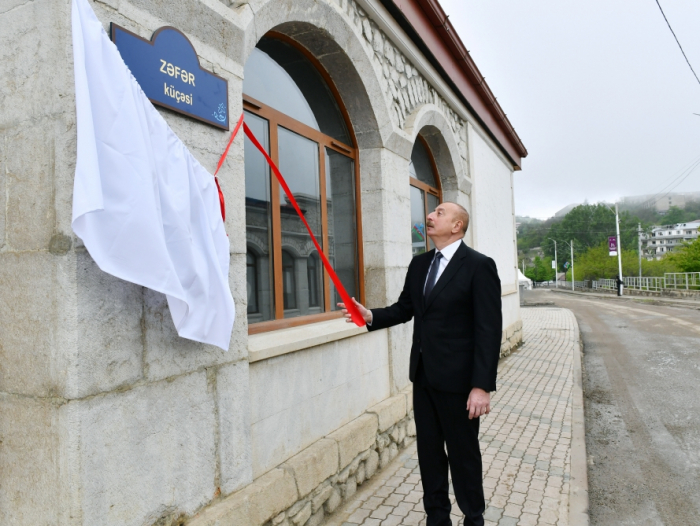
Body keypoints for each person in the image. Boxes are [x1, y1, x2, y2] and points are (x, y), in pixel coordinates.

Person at [339, 202, 502, 526]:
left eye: (440, 213)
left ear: (457, 225)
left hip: (459, 383)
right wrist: (371, 315)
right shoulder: (420, 264)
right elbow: (404, 309)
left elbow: (489, 329)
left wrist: (481, 386)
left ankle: (473, 516)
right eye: (432, 212)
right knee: (429, 454)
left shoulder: (478, 266)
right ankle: (437, 518)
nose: (430, 215)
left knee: (463, 455)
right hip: (424, 378)